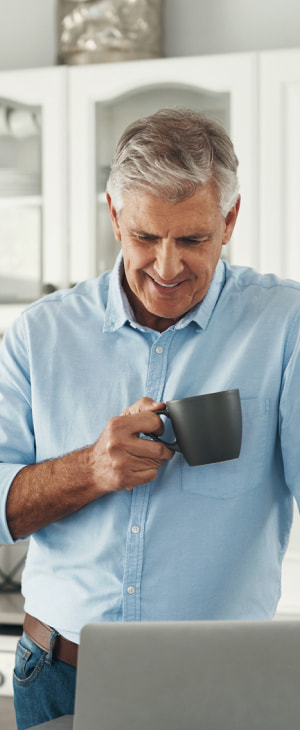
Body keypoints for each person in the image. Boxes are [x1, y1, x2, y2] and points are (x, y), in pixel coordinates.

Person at [0, 107, 300, 729]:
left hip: (222, 682)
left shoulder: (285, 328)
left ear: (230, 221)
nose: (166, 269)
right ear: (113, 215)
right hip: (60, 677)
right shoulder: (37, 334)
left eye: (192, 239)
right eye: (145, 237)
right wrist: (90, 469)